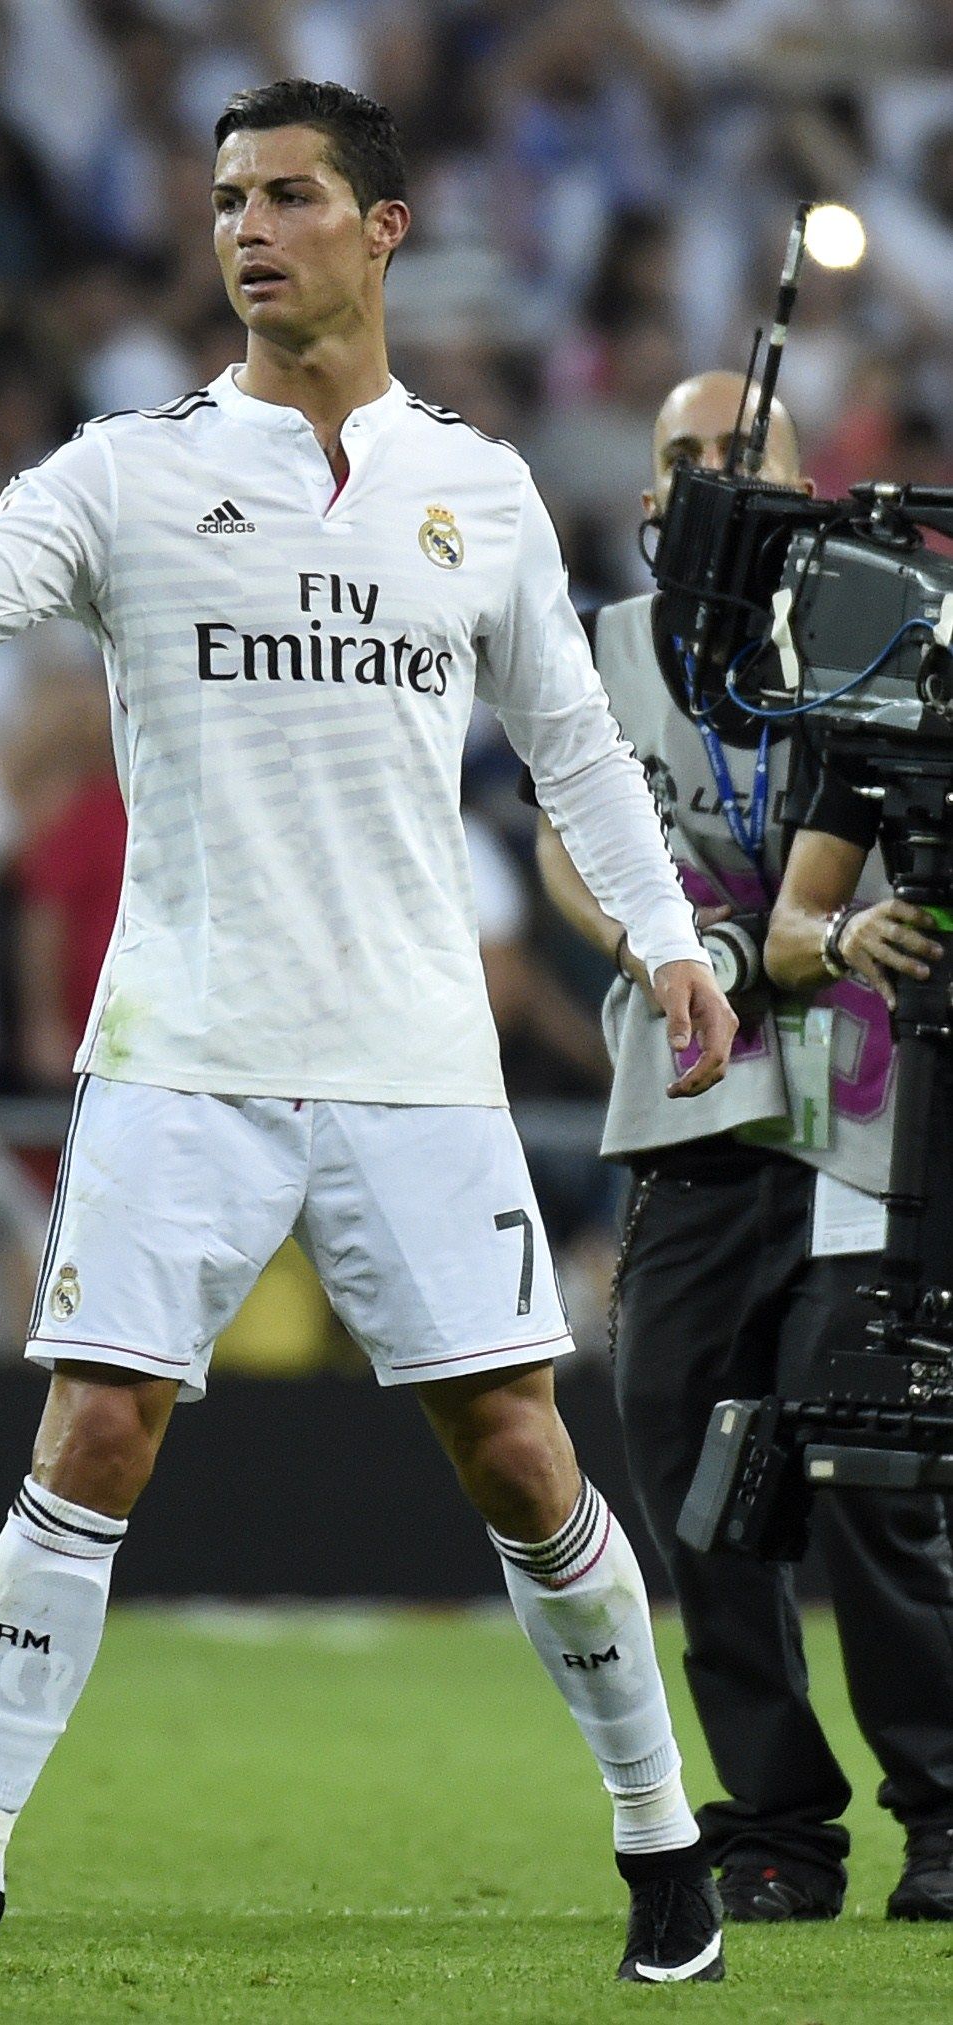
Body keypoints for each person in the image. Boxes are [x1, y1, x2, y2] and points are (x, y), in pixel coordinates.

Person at [0, 79, 735, 1984]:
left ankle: (660, 1846)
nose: (247, 228)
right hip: (181, 1045)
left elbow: (568, 745)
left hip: (409, 1054)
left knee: (523, 1459)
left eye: (289, 196)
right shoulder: (127, 472)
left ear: (380, 228)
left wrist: (666, 936)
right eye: (227, 199)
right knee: (93, 1429)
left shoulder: (475, 487)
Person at [536, 369, 953, 1924]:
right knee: (693, 1478)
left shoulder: (884, 634)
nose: (707, 477)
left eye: (739, 451)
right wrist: (666, 944)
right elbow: (564, 836)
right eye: (680, 456)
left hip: (864, 1113)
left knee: (869, 1471)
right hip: (692, 1110)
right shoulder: (600, 650)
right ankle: (775, 1825)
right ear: (645, 494)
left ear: (809, 488)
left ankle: (945, 1812)